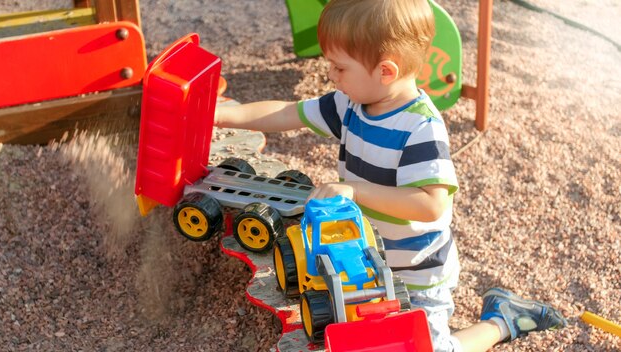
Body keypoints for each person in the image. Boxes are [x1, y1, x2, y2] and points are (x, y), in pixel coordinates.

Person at [214, 0, 567, 350]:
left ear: (386, 71)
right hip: (366, 264)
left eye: (339, 67)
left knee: (429, 348)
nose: (331, 76)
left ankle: (501, 320)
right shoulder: (349, 104)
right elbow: (287, 113)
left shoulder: (420, 128)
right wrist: (225, 116)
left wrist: (354, 189)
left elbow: (430, 204)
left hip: (416, 274)